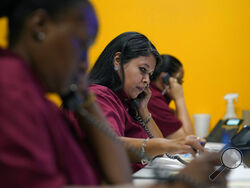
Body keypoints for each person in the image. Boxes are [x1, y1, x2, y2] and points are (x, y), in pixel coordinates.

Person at [0, 1, 228, 188]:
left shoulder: (37, 96)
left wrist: (81, 97)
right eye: (80, 45)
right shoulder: (13, 95)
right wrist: (179, 184)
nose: (84, 63)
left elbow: (119, 177)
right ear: (39, 25)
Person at [88, 32, 205, 172]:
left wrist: (143, 110)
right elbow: (109, 144)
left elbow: (160, 152)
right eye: (142, 70)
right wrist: (169, 145)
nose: (147, 81)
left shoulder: (126, 100)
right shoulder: (99, 96)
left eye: (150, 74)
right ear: (118, 60)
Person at [149, 54, 193, 138]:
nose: (180, 85)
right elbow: (187, 139)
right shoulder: (153, 100)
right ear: (164, 78)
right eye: (179, 80)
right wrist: (179, 98)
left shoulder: (157, 97)